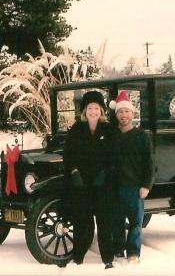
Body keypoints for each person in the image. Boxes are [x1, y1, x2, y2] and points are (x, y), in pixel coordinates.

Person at [63, 90, 117, 269]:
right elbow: (68, 155)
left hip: (103, 185)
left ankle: (108, 259)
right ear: (84, 111)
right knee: (82, 224)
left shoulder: (109, 130)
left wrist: (105, 173)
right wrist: (74, 173)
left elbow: (114, 157)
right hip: (82, 185)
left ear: (101, 110)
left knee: (104, 223)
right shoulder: (76, 130)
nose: (93, 111)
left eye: (96, 108)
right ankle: (78, 258)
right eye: (89, 108)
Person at [110, 90, 154, 264]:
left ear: (132, 113)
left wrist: (146, 185)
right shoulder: (112, 136)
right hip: (115, 187)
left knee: (136, 222)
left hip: (135, 187)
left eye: (127, 111)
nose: (124, 115)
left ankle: (134, 253)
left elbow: (149, 163)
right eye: (120, 111)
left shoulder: (142, 137)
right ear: (116, 114)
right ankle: (118, 250)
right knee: (117, 221)